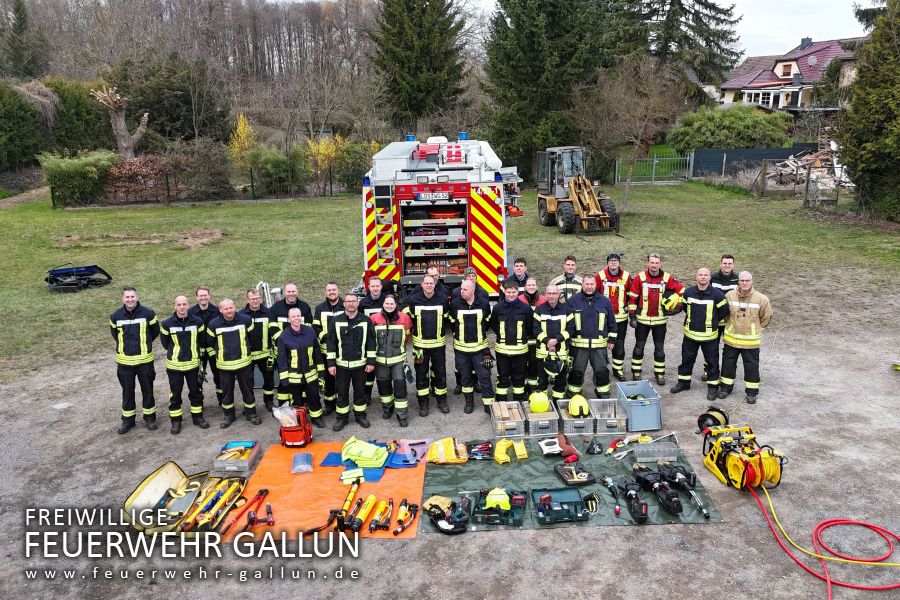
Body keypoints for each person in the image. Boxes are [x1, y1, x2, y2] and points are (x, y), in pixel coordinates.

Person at [670, 268, 730, 401]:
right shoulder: (688, 292)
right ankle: (684, 383)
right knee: (686, 360)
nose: (703, 277)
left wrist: (711, 323)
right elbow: (685, 308)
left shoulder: (718, 295)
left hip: (709, 337)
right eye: (700, 275)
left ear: (710, 278)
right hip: (690, 335)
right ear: (696, 277)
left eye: (705, 275)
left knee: (712, 363)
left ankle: (713, 388)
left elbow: (723, 312)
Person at [627, 253, 685, 385]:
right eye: (652, 263)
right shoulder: (639, 278)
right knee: (638, 348)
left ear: (660, 264)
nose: (654, 265)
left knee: (659, 350)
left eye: (656, 263)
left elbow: (682, 291)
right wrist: (632, 316)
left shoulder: (667, 278)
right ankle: (636, 372)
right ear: (648, 263)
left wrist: (679, 307)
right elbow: (633, 297)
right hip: (642, 321)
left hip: (660, 321)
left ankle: (659, 374)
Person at [109, 287, 159, 434]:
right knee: (127, 392)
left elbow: (154, 331)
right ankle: (128, 421)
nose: (130, 299)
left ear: (137, 297)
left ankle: (150, 418)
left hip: (145, 361)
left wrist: (145, 345)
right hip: (124, 363)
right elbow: (115, 334)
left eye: (132, 296)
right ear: (122, 298)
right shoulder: (115, 316)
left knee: (148, 390)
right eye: (127, 297)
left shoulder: (149, 314)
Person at [206, 299, 261, 428]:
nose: (229, 311)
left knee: (248, 390)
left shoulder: (246, 320)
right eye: (226, 309)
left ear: (235, 307)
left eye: (231, 308)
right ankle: (228, 416)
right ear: (220, 310)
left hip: (244, 363)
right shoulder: (213, 324)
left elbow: (253, 338)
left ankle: (251, 414)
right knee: (227, 392)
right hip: (224, 366)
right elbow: (210, 342)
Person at [719, 272, 772, 404]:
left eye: (747, 280)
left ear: (752, 281)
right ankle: (725, 388)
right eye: (742, 280)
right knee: (727, 366)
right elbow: (725, 315)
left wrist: (755, 329)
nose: (744, 283)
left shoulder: (762, 299)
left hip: (751, 343)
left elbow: (766, 317)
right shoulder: (729, 296)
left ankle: (751, 393)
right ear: (738, 282)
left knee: (751, 367)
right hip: (731, 341)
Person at [326, 293, 376, 431]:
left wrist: (371, 361)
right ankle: (342, 418)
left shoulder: (366, 320)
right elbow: (331, 343)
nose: (351, 304)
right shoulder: (335, 321)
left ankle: (360, 416)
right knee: (342, 393)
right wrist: (331, 364)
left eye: (354, 301)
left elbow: (371, 342)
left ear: (358, 304)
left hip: (361, 365)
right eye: (348, 301)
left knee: (360, 392)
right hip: (341, 366)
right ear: (344, 304)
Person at [159, 295, 208, 433]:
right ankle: (176, 421)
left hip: (193, 365)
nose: (182, 307)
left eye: (184, 304)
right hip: (175, 366)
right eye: (179, 304)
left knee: (196, 392)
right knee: (175, 394)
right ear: (174, 306)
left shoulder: (197, 321)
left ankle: (198, 418)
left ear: (188, 305)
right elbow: (165, 343)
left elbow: (202, 340)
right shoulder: (167, 324)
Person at [402, 274, 450, 415]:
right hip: (419, 347)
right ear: (421, 284)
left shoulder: (442, 299)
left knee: (440, 373)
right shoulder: (413, 300)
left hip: (438, 346)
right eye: (426, 283)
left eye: (431, 283)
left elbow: (447, 318)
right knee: (421, 374)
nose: (429, 285)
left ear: (435, 284)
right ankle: (423, 403)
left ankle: (441, 400)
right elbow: (407, 318)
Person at [272, 307, 325, 428]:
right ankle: (298, 420)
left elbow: (317, 352)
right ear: (289, 319)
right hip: (293, 377)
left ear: (301, 317)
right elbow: (282, 360)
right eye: (293, 316)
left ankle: (316, 418)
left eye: (298, 316)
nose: (296, 318)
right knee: (296, 400)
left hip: (310, 374)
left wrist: (321, 371)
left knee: (314, 397)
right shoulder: (284, 336)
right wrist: (284, 379)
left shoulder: (310, 331)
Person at [566, 275, 617, 398]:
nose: (589, 287)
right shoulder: (572, 301)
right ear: (582, 285)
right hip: (578, 347)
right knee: (576, 373)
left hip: (599, 348)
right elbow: (567, 323)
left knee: (602, 373)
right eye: (587, 284)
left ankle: (603, 394)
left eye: (591, 284)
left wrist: (612, 339)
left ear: (596, 285)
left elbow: (612, 322)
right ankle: (574, 395)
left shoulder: (605, 301)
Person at [448, 280, 494, 414]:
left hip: (480, 349)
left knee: (485, 376)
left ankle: (488, 404)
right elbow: (451, 320)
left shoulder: (484, 304)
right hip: (461, 349)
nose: (461, 291)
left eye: (464, 290)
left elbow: (488, 320)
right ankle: (469, 402)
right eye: (461, 289)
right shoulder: (455, 304)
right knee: (465, 377)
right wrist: (456, 333)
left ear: (473, 290)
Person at [369, 295, 413, 426]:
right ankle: (387, 409)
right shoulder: (374, 319)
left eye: (391, 303)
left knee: (400, 387)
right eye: (387, 303)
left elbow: (408, 336)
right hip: (380, 361)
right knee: (384, 387)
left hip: (398, 360)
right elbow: (370, 339)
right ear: (383, 304)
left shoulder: (404, 318)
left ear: (396, 304)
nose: (389, 306)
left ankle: (402, 415)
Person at [489, 279, 533, 403]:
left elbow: (529, 328)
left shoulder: (526, 308)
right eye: (509, 292)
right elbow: (493, 324)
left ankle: (518, 401)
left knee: (519, 378)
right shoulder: (498, 308)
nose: (511, 294)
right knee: (502, 377)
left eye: (513, 292)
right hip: (502, 351)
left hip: (520, 352)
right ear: (505, 292)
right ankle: (501, 401)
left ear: (518, 292)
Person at [450, 267, 488, 395]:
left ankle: (475, 382)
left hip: (476, 339)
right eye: (469, 276)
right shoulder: (456, 293)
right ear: (464, 278)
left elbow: (486, 318)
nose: (471, 277)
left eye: (473, 276)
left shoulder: (483, 293)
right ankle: (459, 383)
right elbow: (452, 317)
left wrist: (481, 330)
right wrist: (455, 332)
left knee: (476, 365)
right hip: (461, 339)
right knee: (460, 364)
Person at [534, 284, 574, 400]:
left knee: (560, 382)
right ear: (545, 295)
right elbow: (536, 329)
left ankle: (558, 403)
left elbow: (571, 329)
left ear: (558, 295)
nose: (552, 296)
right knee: (541, 381)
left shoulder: (567, 309)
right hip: (543, 352)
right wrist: (547, 341)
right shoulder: (539, 309)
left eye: (554, 293)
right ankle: (542, 403)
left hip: (560, 352)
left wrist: (557, 340)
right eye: (549, 293)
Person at [597, 252, 632, 381]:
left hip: (621, 319)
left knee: (619, 346)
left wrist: (632, 314)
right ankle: (601, 371)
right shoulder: (600, 276)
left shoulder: (626, 276)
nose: (613, 263)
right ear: (607, 263)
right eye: (611, 261)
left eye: (615, 261)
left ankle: (618, 370)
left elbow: (632, 295)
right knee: (601, 346)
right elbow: (595, 294)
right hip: (603, 319)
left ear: (619, 263)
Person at [240, 289, 275, 411]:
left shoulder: (269, 313)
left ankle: (269, 402)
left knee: (269, 380)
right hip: (247, 356)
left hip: (265, 354)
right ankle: (249, 405)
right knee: (247, 383)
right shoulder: (241, 315)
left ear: (261, 299)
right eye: (252, 298)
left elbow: (274, 332)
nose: (255, 301)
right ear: (247, 300)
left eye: (257, 298)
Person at [706, 254, 739, 381]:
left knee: (729, 349)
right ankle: (708, 370)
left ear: (733, 265)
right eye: (725, 263)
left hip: (730, 321)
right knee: (711, 347)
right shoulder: (712, 278)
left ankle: (726, 372)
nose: (727, 266)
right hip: (714, 319)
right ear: (720, 264)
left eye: (729, 263)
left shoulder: (738, 279)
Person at [313, 282, 344, 416]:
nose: (332, 292)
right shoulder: (320, 308)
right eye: (329, 290)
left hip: (343, 351)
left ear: (338, 291)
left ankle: (341, 404)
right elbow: (315, 327)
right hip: (326, 351)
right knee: (328, 380)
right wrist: (325, 337)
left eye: (334, 289)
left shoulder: (346, 306)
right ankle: (329, 404)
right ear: (326, 292)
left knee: (342, 380)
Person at [189, 286, 222, 404]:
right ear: (196, 297)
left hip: (215, 349)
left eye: (205, 295)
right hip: (198, 351)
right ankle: (199, 403)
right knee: (198, 378)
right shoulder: (190, 313)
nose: (203, 297)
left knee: (219, 376)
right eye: (200, 295)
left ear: (209, 296)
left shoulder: (218, 311)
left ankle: (222, 400)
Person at [359, 276, 386, 403]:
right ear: (368, 287)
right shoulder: (363, 303)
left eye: (377, 286)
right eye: (373, 286)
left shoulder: (388, 300)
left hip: (384, 341)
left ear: (381, 287)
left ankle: (384, 395)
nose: (375, 288)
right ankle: (366, 395)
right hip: (368, 341)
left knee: (382, 371)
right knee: (368, 371)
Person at [518, 277, 546, 393]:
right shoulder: (519, 299)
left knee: (535, 365)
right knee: (522, 365)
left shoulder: (543, 300)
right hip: (522, 339)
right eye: (529, 285)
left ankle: (533, 388)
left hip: (538, 339)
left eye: (533, 285)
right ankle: (523, 387)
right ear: (525, 287)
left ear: (537, 286)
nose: (531, 287)